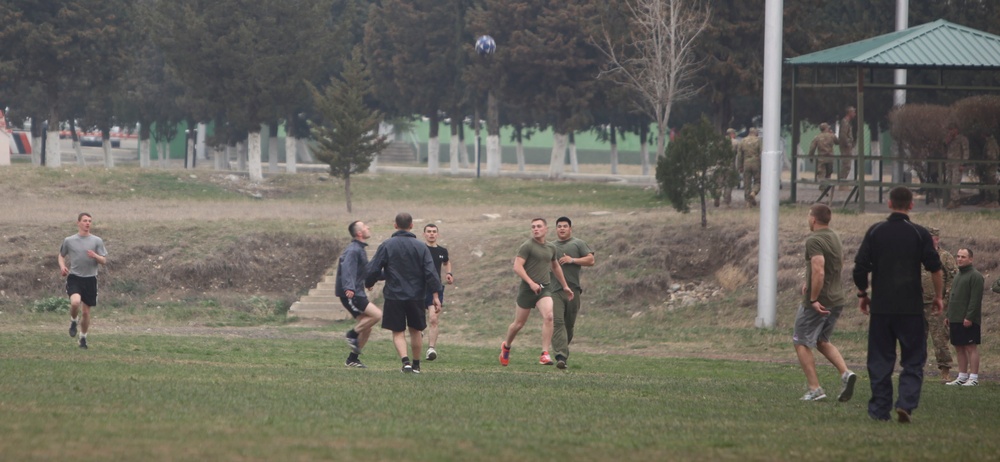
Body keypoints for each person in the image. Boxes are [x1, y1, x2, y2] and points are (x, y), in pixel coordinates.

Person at [853, 186, 943, 423]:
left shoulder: (876, 231)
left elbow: (860, 267)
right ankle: (905, 403)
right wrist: (938, 296)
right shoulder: (919, 233)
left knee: (880, 359)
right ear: (911, 205)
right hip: (911, 308)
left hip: (882, 308)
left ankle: (880, 410)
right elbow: (935, 267)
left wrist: (863, 294)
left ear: (889, 203)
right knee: (913, 359)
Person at [793, 204, 857, 402]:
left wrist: (813, 298)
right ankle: (846, 374)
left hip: (820, 301)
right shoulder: (834, 237)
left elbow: (819, 269)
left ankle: (815, 389)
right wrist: (809, 281)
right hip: (837, 298)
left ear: (813, 219)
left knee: (801, 341)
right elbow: (834, 264)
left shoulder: (814, 239)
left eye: (808, 216)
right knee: (821, 340)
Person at [365, 213, 441, 373]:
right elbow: (431, 272)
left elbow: (373, 268)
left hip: (394, 295)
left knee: (398, 331)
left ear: (395, 225)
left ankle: (405, 362)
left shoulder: (387, 245)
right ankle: (416, 365)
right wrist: (435, 295)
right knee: (415, 330)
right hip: (416, 296)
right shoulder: (421, 247)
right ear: (412, 226)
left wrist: (369, 282)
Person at [499, 218, 573, 367]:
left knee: (549, 316)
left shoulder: (551, 248)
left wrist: (565, 286)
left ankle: (544, 354)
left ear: (546, 229)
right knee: (518, 324)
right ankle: (506, 346)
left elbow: (556, 267)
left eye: (539, 226)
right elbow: (517, 266)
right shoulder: (527, 246)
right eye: (533, 227)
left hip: (544, 288)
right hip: (527, 289)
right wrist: (531, 283)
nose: (535, 229)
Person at [334, 220, 383, 368]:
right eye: (365, 226)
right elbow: (347, 269)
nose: (369, 227)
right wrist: (349, 288)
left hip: (356, 291)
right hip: (351, 293)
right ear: (359, 233)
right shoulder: (353, 250)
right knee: (377, 315)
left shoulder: (359, 249)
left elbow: (366, 271)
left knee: (367, 326)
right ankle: (352, 334)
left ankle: (352, 359)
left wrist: (386, 275)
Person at [550, 217, 595, 370]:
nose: (562, 229)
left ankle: (562, 350)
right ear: (556, 229)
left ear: (570, 229)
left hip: (573, 290)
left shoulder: (578, 243)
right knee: (558, 323)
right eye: (559, 226)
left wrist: (572, 260)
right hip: (554, 291)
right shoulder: (551, 246)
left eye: (565, 226)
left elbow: (591, 260)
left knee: (569, 325)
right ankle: (561, 357)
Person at [58, 212, 108, 350]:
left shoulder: (97, 241)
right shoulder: (69, 240)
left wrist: (95, 256)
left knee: (86, 312)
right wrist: (63, 267)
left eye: (90, 221)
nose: (87, 223)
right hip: (75, 277)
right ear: (78, 223)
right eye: (85, 220)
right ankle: (73, 321)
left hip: (90, 279)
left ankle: (83, 338)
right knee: (74, 302)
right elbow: (61, 256)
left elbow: (104, 260)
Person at [920, 227, 957, 382]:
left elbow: (952, 279)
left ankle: (945, 370)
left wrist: (946, 299)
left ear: (938, 239)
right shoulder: (917, 255)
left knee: (940, 339)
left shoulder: (945, 257)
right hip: (917, 304)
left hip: (936, 305)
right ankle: (916, 369)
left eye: (933, 238)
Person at [945, 248, 984, 387]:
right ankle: (962, 376)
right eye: (958, 256)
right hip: (955, 318)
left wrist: (969, 317)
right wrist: (948, 315)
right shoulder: (958, 275)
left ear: (970, 259)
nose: (960, 259)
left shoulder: (975, 276)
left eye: (963, 257)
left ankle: (973, 378)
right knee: (959, 347)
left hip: (968, 319)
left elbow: (975, 299)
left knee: (970, 347)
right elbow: (952, 297)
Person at [422, 223, 453, 361]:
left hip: (435, 288)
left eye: (434, 231)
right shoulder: (420, 249)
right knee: (418, 321)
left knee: (433, 319)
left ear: (437, 234)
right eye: (429, 231)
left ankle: (431, 349)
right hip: (418, 288)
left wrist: (449, 273)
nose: (431, 234)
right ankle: (419, 336)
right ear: (424, 234)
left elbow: (446, 262)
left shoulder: (442, 251)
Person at [944, 124, 969, 209]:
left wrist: (963, 164)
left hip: (957, 164)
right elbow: (944, 148)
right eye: (949, 129)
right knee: (949, 182)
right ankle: (955, 200)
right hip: (949, 163)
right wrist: (947, 141)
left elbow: (966, 151)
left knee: (955, 182)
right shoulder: (950, 139)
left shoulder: (962, 139)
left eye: (952, 129)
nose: (950, 131)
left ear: (956, 129)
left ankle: (954, 201)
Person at [737, 127, 762, 207]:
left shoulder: (743, 141)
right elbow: (762, 152)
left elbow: (739, 155)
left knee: (747, 182)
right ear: (756, 133)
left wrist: (740, 166)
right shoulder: (758, 141)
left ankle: (748, 202)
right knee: (758, 181)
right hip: (756, 163)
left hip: (746, 163)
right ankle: (753, 192)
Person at [809, 123, 837, 187]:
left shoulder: (817, 137)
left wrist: (811, 157)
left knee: (821, 173)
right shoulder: (831, 136)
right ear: (826, 128)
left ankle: (822, 187)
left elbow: (812, 148)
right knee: (829, 173)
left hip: (821, 158)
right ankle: (826, 186)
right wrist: (833, 134)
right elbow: (837, 142)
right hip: (830, 158)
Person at [980, 133, 999, 208]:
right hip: (989, 167)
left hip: (991, 167)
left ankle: (994, 201)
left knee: (992, 183)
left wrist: (986, 164)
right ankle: (988, 200)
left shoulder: (991, 143)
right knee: (988, 183)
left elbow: (992, 157)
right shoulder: (989, 142)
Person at [838, 106, 856, 182]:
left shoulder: (847, 122)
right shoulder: (845, 122)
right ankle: (842, 182)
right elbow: (843, 135)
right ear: (850, 113)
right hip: (846, 148)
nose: (855, 114)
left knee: (847, 165)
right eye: (853, 112)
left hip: (847, 147)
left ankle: (843, 181)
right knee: (846, 165)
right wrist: (848, 144)